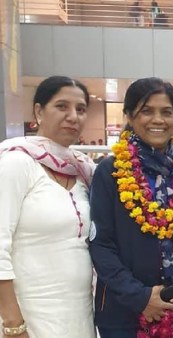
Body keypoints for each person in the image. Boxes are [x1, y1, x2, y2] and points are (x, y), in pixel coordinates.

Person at [89, 77, 173, 338]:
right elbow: (101, 245)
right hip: (124, 313)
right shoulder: (109, 172)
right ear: (129, 117)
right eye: (147, 111)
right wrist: (141, 297)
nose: (158, 120)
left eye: (166, 112)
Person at [0, 75, 96, 337]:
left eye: (81, 109)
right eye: (62, 106)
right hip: (30, 315)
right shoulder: (16, 163)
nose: (73, 116)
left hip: (80, 314)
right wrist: (12, 324)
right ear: (39, 111)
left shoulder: (84, 171)